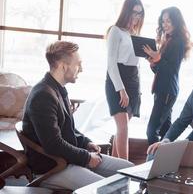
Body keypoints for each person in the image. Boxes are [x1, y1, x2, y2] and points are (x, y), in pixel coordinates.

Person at [22, 41, 133, 190]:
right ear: (63, 66)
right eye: (78, 64)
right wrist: (86, 157)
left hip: (68, 160)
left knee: (130, 170)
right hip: (53, 168)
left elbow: (68, 129)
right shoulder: (43, 95)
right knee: (109, 189)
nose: (81, 69)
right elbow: (53, 144)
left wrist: (86, 143)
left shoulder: (58, 89)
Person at [143, 6, 191, 145]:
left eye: (169, 21)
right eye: (163, 21)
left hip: (167, 91)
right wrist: (153, 62)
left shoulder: (178, 41)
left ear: (176, 22)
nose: (165, 25)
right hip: (163, 90)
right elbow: (162, 69)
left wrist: (158, 59)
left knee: (151, 131)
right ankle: (166, 164)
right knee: (165, 131)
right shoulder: (168, 39)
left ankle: (153, 162)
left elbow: (171, 70)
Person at [105, 0, 145, 160]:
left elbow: (136, 64)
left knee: (121, 129)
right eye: (134, 13)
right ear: (126, 11)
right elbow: (111, 64)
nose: (136, 17)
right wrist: (121, 90)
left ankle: (112, 171)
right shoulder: (115, 30)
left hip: (133, 81)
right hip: (118, 81)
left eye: (140, 14)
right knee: (123, 128)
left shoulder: (135, 34)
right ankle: (125, 170)